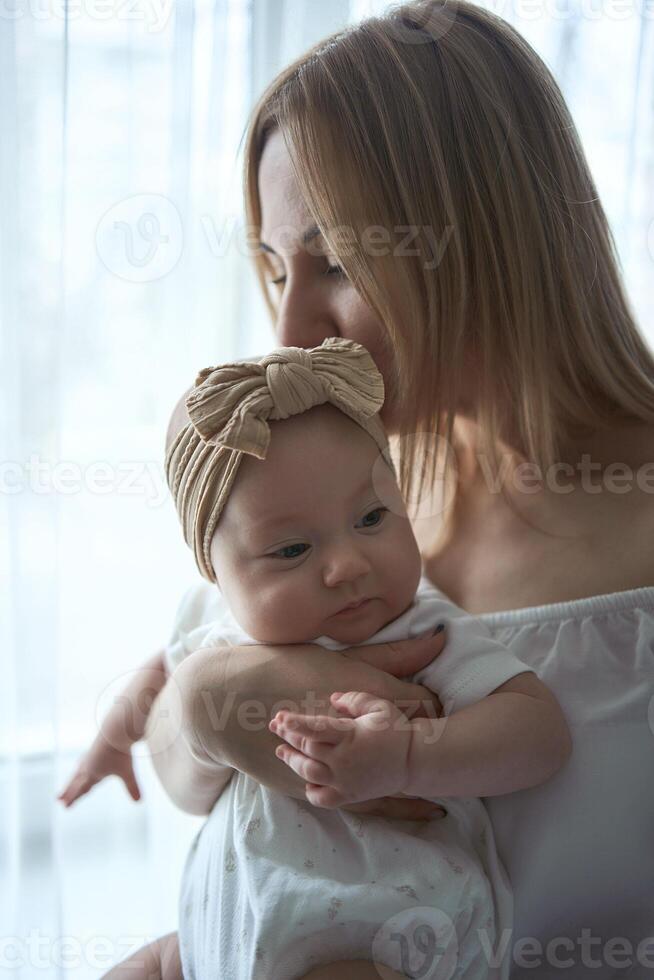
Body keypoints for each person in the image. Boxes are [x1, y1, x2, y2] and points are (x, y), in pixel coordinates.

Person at [148, 0, 654, 977]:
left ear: (485, 235)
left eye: (334, 262)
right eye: (273, 265)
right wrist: (212, 698)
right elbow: (184, 764)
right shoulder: (338, 496)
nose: (291, 332)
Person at [60, 338, 571, 978]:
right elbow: (161, 670)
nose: (346, 565)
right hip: (212, 940)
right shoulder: (214, 624)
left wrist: (413, 755)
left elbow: (539, 732)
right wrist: (113, 737)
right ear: (215, 574)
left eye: (372, 517)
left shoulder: (421, 629)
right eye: (292, 551)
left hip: (372, 933)